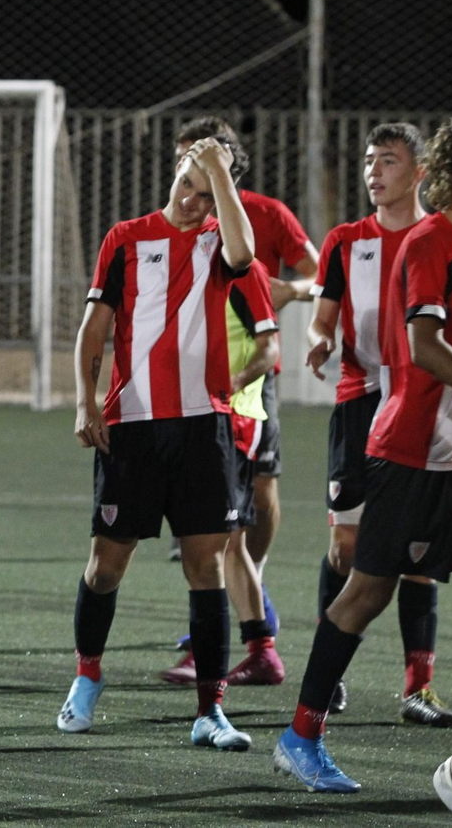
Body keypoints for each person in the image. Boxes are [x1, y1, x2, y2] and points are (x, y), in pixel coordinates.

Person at [273, 119, 452, 795]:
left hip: (450, 448)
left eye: (389, 160)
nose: (374, 171)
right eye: (370, 161)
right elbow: (426, 347)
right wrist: (319, 337)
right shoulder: (430, 240)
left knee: (384, 583)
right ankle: (302, 732)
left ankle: (422, 690)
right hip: (409, 445)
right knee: (364, 585)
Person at [60, 130, 256, 750]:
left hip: (204, 427)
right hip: (134, 429)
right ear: (174, 170)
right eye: (190, 185)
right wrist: (85, 401)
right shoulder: (124, 237)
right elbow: (93, 332)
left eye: (210, 194)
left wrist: (221, 173)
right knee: (105, 567)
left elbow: (245, 251)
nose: (196, 203)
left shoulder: (218, 242)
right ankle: (87, 677)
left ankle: (210, 711)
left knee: (206, 567)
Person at [169, 119, 317, 606]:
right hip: (192, 377)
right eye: (181, 163)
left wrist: (288, 291)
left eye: (196, 161)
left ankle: (255, 583)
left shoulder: (266, 215)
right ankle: (239, 610)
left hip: (250, 374)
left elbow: (318, 275)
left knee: (262, 485)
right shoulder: (175, 220)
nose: (185, 175)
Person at [162, 261, 282, 686]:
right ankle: (259, 650)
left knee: (216, 541)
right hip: (204, 416)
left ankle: (210, 652)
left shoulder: (244, 271)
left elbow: (270, 348)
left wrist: (232, 382)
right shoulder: (189, 264)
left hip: (235, 419)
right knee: (229, 543)